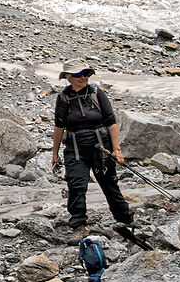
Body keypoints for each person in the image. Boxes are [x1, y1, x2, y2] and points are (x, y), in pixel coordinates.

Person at [51, 63, 134, 232]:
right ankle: (78, 222)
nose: (83, 77)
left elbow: (111, 123)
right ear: (69, 78)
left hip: (101, 147)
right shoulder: (63, 98)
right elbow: (59, 126)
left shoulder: (97, 93)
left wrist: (117, 150)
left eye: (86, 74)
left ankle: (125, 219)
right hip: (75, 148)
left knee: (109, 183)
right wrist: (55, 153)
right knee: (76, 184)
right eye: (79, 74)